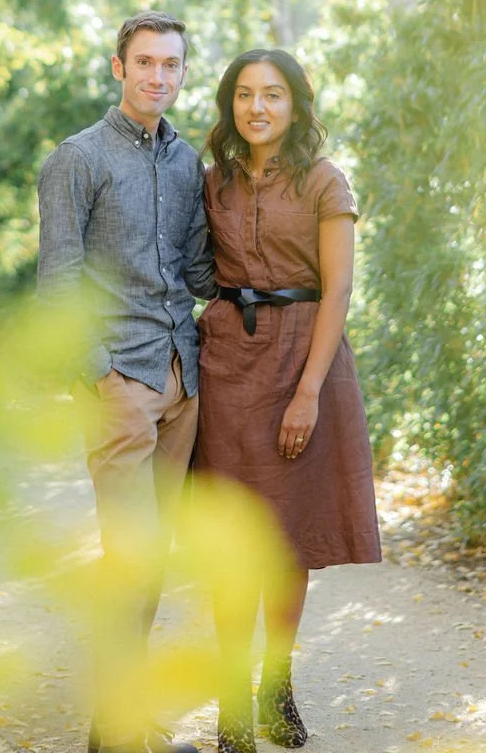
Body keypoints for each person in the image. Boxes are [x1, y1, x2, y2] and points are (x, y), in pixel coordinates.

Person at [37, 11, 216, 753]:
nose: (158, 77)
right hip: (121, 378)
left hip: (184, 379)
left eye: (171, 65)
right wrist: (98, 375)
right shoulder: (75, 159)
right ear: (118, 69)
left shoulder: (187, 162)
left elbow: (201, 270)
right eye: (144, 63)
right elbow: (58, 282)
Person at [193, 49, 381, 753]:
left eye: (272, 95)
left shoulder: (324, 183)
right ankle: (231, 700)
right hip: (228, 363)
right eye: (244, 95)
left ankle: (276, 685)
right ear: (230, 106)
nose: (257, 107)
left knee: (287, 540)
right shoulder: (212, 182)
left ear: (296, 105)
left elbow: (338, 291)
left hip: (306, 360)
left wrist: (307, 391)